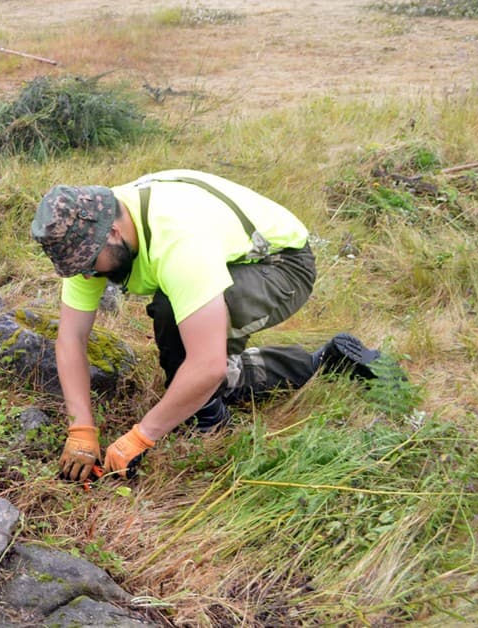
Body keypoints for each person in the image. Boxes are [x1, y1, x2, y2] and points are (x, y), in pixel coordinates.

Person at [31, 169, 384, 482]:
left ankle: (215, 414)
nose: (86, 276)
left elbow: (207, 364)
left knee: (185, 337)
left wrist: (142, 436)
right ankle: (322, 363)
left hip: (280, 266)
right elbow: (71, 339)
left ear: (112, 232)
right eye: (77, 269)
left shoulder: (179, 243)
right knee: (186, 357)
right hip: (223, 255)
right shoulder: (90, 238)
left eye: (89, 265)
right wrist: (81, 427)